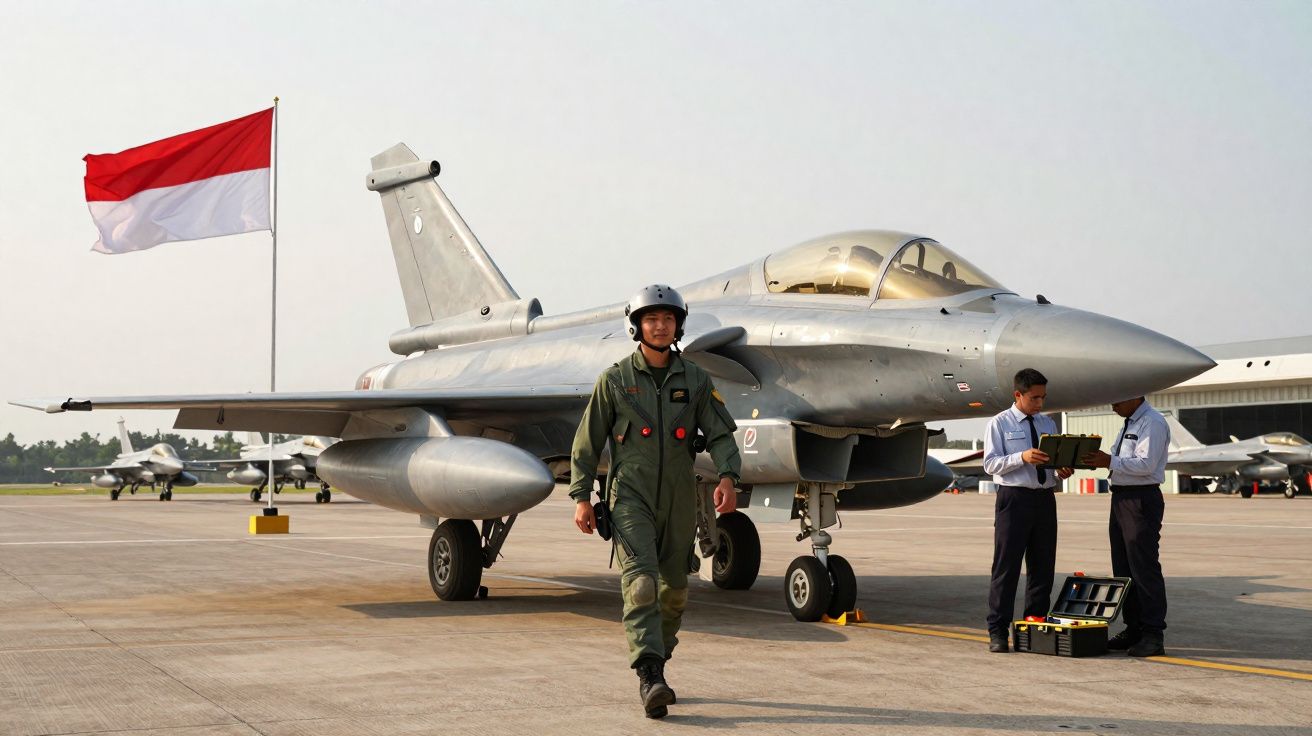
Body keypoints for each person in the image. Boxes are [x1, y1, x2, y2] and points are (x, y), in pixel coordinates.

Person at [569, 284, 742, 719]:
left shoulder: (695, 380)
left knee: (675, 590)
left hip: (680, 496)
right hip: (631, 494)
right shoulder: (615, 381)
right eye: (651, 319)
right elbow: (587, 442)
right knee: (641, 583)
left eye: (668, 319)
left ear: (678, 326)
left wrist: (727, 475)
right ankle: (649, 674)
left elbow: (720, 433)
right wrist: (582, 496)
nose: (660, 326)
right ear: (637, 327)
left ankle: (658, 662)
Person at [981, 368, 1074, 653]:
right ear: (1018, 395)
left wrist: (1061, 470)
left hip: (1044, 499)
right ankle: (998, 630)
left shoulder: (1048, 423)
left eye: (1043, 397)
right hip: (1014, 499)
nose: (1040, 403)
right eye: (1034, 398)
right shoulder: (999, 423)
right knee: (1006, 567)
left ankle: (1034, 626)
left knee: (1042, 567)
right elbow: (990, 464)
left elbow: (1053, 463)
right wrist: (1021, 457)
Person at [1081, 396, 1170, 657]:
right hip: (1121, 498)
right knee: (1124, 569)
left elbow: (1147, 465)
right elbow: (1119, 460)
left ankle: (1153, 633)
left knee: (1143, 568)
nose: (1113, 405)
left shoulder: (1152, 422)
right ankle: (1134, 628)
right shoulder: (1129, 422)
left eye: (1118, 400)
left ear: (1135, 395)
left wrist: (1109, 461)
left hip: (1140, 499)